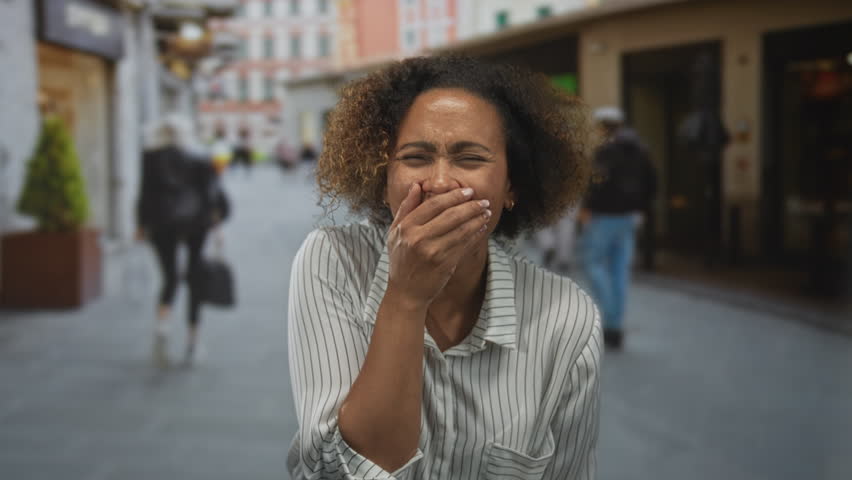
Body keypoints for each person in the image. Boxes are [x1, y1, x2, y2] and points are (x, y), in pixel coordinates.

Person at [287, 55, 600, 480]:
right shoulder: (332, 261)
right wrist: (405, 296)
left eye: (469, 158)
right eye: (415, 157)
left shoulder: (568, 318)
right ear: (383, 180)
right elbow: (331, 471)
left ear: (512, 185)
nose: (438, 181)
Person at [136, 114, 230, 367]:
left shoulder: (150, 158)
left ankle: (162, 326)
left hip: (161, 222)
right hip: (196, 223)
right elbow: (212, 195)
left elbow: (145, 194)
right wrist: (217, 226)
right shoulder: (199, 158)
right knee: (195, 277)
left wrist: (140, 225)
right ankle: (192, 339)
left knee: (169, 276)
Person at [579, 107, 656, 350]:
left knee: (593, 263)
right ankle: (614, 326)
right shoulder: (639, 150)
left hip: (604, 216)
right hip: (629, 216)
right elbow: (653, 181)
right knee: (619, 270)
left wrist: (587, 207)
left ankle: (611, 316)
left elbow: (595, 182)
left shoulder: (603, 150)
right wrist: (640, 207)